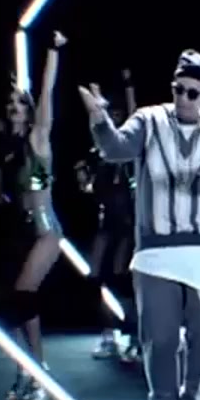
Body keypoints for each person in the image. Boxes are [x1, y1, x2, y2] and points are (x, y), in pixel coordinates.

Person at [79, 50, 200, 400]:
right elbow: (115, 149)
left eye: (192, 92)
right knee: (160, 338)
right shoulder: (149, 120)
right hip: (155, 253)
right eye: (178, 89)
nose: (183, 97)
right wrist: (99, 118)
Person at [0, 31, 67, 400]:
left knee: (23, 297)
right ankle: (25, 370)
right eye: (10, 104)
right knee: (12, 304)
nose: (14, 108)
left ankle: (39, 373)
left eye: (20, 103)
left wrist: (52, 52)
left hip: (45, 230)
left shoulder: (38, 138)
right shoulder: (4, 149)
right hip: (17, 232)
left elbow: (47, 93)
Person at [74, 68, 140, 363]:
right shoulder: (96, 151)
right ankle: (109, 335)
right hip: (105, 222)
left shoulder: (128, 148)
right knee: (97, 277)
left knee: (122, 277)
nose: (112, 118)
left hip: (128, 223)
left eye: (116, 115)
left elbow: (134, 115)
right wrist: (84, 179)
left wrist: (129, 85)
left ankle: (135, 337)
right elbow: (87, 185)